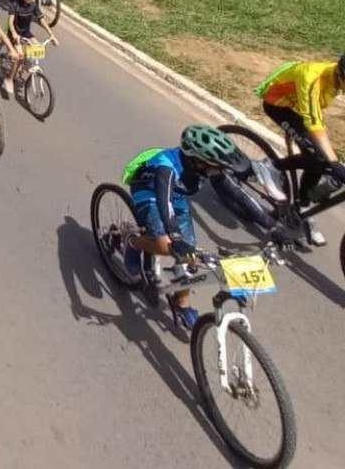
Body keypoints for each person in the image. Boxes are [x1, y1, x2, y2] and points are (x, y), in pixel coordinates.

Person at [121, 125, 253, 330]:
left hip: (178, 196)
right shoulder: (167, 166)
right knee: (166, 245)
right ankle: (133, 242)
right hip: (150, 193)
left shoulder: (204, 167)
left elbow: (237, 195)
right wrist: (174, 235)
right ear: (198, 161)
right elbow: (164, 204)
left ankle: (181, 302)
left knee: (191, 256)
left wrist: (274, 226)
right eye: (215, 165)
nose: (219, 171)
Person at [253, 55, 345, 245]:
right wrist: (335, 163)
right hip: (278, 105)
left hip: (298, 107)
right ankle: (270, 166)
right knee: (321, 158)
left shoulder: (335, 79)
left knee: (318, 161)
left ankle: (302, 208)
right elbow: (314, 124)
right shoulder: (311, 77)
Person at [6, 0, 58, 84]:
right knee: (19, 56)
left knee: (38, 48)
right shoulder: (15, 4)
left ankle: (25, 64)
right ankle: (10, 79)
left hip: (26, 33)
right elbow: (10, 22)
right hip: (15, 34)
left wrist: (51, 34)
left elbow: (41, 20)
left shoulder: (33, 5)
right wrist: (14, 34)